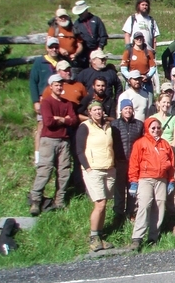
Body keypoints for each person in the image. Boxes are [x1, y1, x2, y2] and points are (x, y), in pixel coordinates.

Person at [29, 74, 78, 215]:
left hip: (64, 141)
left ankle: (60, 200)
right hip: (49, 140)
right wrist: (64, 119)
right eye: (56, 85)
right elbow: (49, 122)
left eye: (61, 85)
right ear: (51, 87)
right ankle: (36, 200)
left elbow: (73, 120)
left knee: (64, 171)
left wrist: (60, 119)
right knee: (45, 170)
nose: (59, 87)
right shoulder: (47, 102)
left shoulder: (67, 103)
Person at [128, 117, 175, 250]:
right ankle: (137, 238)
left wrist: (171, 181)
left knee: (160, 206)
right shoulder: (140, 143)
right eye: (153, 128)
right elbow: (134, 163)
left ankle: (153, 237)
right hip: (145, 178)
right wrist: (133, 181)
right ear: (147, 129)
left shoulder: (165, 145)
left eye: (158, 128)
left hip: (162, 179)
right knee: (144, 205)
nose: (156, 130)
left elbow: (171, 165)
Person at [76, 102, 116, 252]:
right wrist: (88, 168)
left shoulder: (108, 126)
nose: (98, 112)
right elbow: (79, 150)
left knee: (104, 204)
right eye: (95, 110)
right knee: (99, 204)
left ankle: (100, 235)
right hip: (93, 169)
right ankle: (93, 237)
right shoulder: (85, 127)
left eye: (100, 109)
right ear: (89, 112)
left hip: (109, 168)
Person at [29, 37, 61, 164]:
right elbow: (33, 82)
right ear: (46, 48)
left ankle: (55, 157)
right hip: (44, 100)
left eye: (56, 47)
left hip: (59, 100)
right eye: (51, 47)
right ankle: (38, 157)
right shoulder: (39, 62)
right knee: (42, 126)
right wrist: (35, 101)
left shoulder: (61, 62)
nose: (54, 49)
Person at [111, 99, 143, 221]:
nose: (128, 110)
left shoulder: (139, 125)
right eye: (125, 108)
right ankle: (118, 212)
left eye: (130, 108)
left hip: (134, 162)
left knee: (132, 187)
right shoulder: (114, 124)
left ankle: (131, 212)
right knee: (119, 188)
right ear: (121, 110)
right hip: (120, 161)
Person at [71, 0, 108, 68]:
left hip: (96, 49)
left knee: (98, 68)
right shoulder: (77, 24)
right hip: (83, 52)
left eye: (81, 12)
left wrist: (100, 47)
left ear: (86, 10)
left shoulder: (96, 20)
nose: (80, 14)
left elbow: (103, 34)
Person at [121, 31, 157, 95]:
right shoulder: (128, 52)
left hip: (145, 82)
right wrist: (131, 77)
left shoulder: (148, 52)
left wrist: (147, 76)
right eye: (137, 38)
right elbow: (123, 69)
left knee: (148, 103)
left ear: (143, 39)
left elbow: (153, 67)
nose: (139, 40)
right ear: (134, 40)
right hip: (132, 83)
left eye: (141, 38)